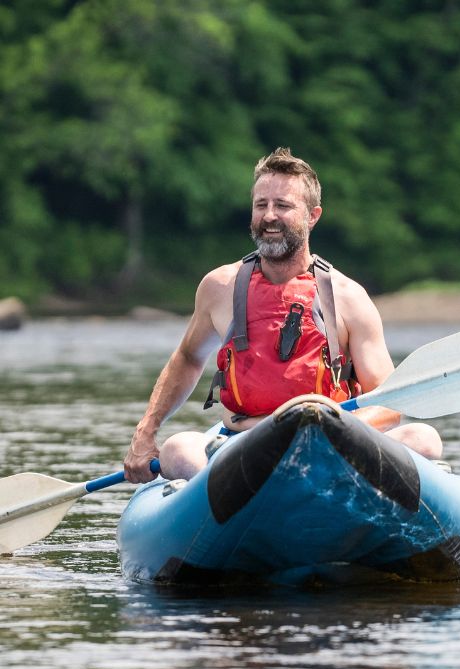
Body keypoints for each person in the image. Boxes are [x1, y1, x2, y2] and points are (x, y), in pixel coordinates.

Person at [124, 148, 442, 484]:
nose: (270, 216)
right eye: (261, 205)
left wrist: (326, 429)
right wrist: (146, 431)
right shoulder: (220, 287)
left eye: (283, 206)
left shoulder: (347, 298)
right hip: (243, 447)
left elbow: (389, 403)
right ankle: (224, 502)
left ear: (313, 216)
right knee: (177, 449)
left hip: (331, 445)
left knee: (424, 439)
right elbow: (188, 358)